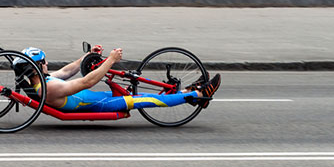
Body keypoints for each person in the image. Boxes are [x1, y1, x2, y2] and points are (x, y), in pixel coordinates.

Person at [13, 46, 221, 112]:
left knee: (143, 91)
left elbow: (68, 71)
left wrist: (86, 57)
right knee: (147, 99)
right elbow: (86, 82)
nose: (48, 65)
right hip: (101, 104)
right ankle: (199, 94)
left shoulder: (39, 83)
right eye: (45, 61)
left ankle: (188, 94)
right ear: (38, 66)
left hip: (94, 97)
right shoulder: (48, 89)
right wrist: (110, 60)